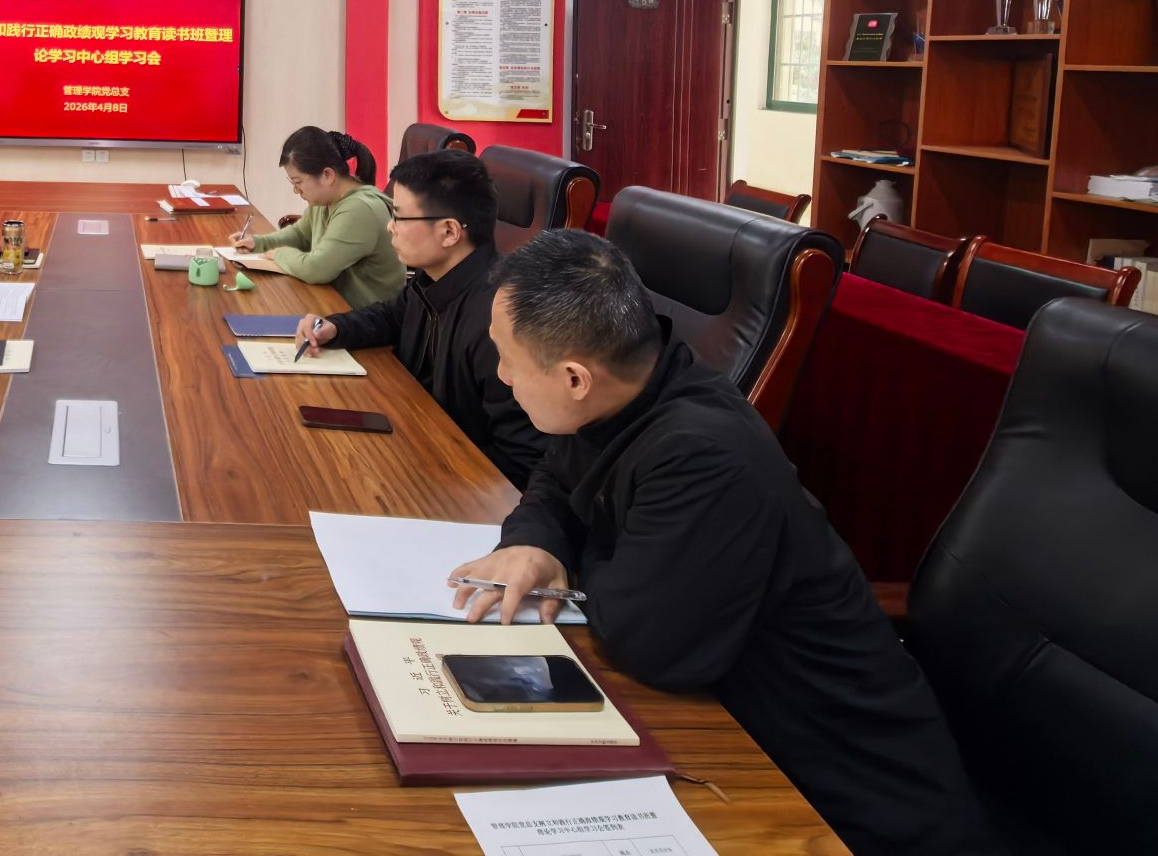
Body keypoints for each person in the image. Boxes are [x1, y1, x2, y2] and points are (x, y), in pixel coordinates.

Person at [450, 230, 1000, 856]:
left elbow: (647, 643)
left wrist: (579, 556)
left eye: (508, 360)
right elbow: (556, 477)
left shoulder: (703, 455)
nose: (502, 375)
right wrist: (538, 544)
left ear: (575, 378)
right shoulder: (627, 388)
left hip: (842, 801)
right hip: (738, 732)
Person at [291, 149, 547, 487]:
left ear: (449, 232)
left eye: (399, 217)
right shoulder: (435, 277)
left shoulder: (499, 323)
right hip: (415, 436)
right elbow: (394, 316)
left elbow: (521, 462)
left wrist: (423, 475)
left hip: (458, 483)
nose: (390, 227)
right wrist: (337, 327)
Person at [228, 127, 405, 308]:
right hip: (335, 305)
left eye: (298, 182)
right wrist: (258, 243)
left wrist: (281, 254)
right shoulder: (326, 199)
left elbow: (317, 269)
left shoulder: (360, 209)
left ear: (327, 175)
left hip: (366, 318)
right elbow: (300, 234)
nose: (296, 190)